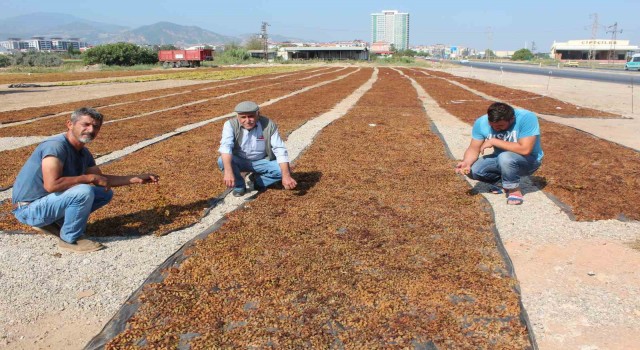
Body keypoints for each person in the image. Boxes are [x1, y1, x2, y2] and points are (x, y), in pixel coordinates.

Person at [11, 107, 159, 253]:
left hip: (47, 203)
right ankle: (70, 239)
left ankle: (56, 223)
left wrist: (135, 179)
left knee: (104, 193)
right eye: (86, 124)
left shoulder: (83, 153)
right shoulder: (55, 146)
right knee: (84, 191)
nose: (91, 130)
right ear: (70, 124)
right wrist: (88, 178)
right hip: (28, 208)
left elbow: (101, 180)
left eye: (95, 127)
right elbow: (52, 185)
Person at [455, 102, 543, 205]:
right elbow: (474, 148)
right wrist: (467, 162)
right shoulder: (481, 122)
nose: (496, 128)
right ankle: (503, 184)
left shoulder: (526, 117)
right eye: (492, 125)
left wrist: (494, 141)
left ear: (512, 119)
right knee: (473, 170)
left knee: (505, 157)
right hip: (501, 159)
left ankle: (514, 189)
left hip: (529, 160)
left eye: (500, 125)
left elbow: (525, 149)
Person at [218, 101, 297, 197]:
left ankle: (258, 181)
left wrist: (286, 176)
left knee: (284, 170)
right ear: (238, 117)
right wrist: (228, 172)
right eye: (243, 117)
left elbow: (279, 149)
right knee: (222, 160)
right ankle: (239, 186)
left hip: (262, 160)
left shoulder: (268, 125)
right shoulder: (230, 125)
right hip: (240, 160)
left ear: (258, 115)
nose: (247, 120)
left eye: (251, 116)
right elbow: (226, 147)